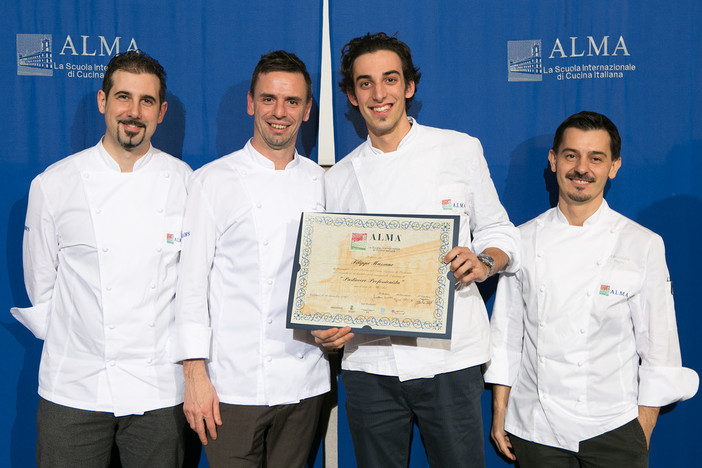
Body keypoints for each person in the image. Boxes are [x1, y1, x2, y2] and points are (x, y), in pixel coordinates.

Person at [313, 32, 519, 467]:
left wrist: (483, 262)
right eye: (365, 83)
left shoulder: (459, 149)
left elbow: (500, 231)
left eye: (390, 79)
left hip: (449, 359)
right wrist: (327, 326)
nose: (379, 93)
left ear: (409, 86)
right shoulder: (338, 179)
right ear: (351, 96)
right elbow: (332, 276)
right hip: (370, 366)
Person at [484, 111, 699, 467]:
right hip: (536, 428)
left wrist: (639, 435)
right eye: (571, 155)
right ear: (554, 161)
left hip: (614, 428)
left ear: (613, 166)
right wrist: (500, 413)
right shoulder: (521, 240)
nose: (581, 168)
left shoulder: (642, 244)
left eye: (595, 158)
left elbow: (659, 348)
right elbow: (507, 334)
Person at [11, 50, 192, 467]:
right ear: (102, 101)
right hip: (74, 387)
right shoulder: (54, 185)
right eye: (123, 97)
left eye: (147, 101)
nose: (133, 112)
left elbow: (192, 287)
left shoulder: (186, 184)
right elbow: (42, 286)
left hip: (158, 389)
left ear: (161, 112)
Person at [174, 50, 329, 467]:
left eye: (292, 101)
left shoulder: (322, 183)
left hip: (305, 383)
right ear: (250, 103)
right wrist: (194, 376)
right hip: (231, 387)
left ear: (307, 109)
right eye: (268, 99)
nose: (279, 113)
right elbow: (190, 288)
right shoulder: (212, 180)